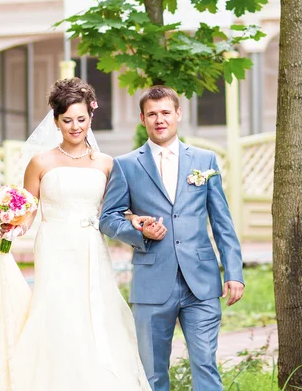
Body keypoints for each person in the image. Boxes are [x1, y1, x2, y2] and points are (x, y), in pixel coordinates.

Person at [0, 78, 149, 391]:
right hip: (55, 245)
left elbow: (114, 209)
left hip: (90, 246)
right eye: (67, 120)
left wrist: (135, 219)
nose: (75, 127)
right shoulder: (40, 162)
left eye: (81, 120)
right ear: (56, 121)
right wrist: (14, 226)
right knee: (58, 311)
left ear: (91, 117)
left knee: (93, 310)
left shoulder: (106, 163)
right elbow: (29, 211)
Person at [100, 85, 244, 391]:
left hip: (201, 283)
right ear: (142, 118)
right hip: (152, 285)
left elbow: (222, 222)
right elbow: (108, 219)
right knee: (153, 374)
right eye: (152, 114)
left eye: (165, 112)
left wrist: (234, 273)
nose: (159, 119)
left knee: (205, 364)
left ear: (178, 114)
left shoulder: (205, 161)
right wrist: (138, 231)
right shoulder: (126, 165)